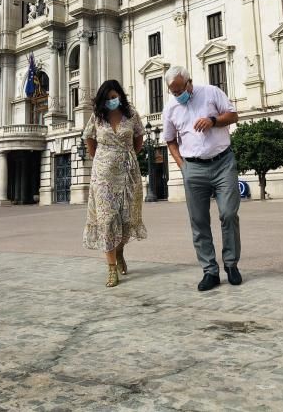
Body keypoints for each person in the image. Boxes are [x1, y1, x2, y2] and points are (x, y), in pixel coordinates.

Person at [163, 65, 241, 292]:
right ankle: (210, 271)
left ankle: (231, 265)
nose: (178, 95)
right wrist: (182, 166)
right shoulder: (170, 108)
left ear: (189, 82)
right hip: (194, 169)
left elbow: (234, 115)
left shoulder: (211, 92)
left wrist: (213, 120)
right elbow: (170, 140)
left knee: (228, 213)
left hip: (222, 163)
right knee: (199, 222)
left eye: (180, 90)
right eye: (173, 92)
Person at [82, 80, 147, 287]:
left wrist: (125, 156)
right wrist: (105, 159)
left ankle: (119, 251)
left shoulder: (131, 114)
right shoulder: (98, 117)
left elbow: (139, 139)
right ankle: (111, 269)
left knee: (126, 219)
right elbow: (89, 140)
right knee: (107, 219)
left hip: (128, 174)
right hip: (103, 176)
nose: (112, 100)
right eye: (108, 98)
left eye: (114, 96)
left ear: (120, 95)